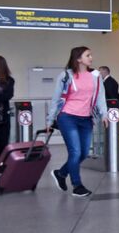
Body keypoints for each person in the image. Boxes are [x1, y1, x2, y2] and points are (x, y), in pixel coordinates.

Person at [46, 45, 107, 199]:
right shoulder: (66, 76)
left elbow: (100, 96)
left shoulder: (95, 76)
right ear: (78, 59)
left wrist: (104, 114)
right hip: (67, 117)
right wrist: (50, 119)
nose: (91, 58)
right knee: (75, 152)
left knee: (83, 153)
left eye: (91, 55)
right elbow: (56, 98)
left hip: (86, 118)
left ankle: (61, 174)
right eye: (88, 55)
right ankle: (77, 185)